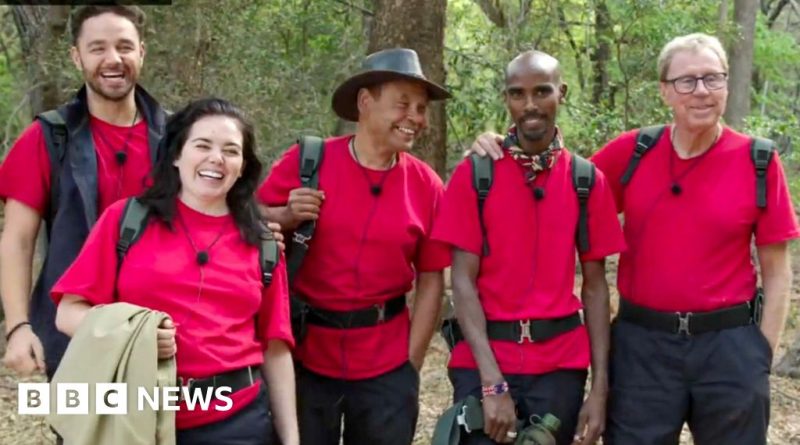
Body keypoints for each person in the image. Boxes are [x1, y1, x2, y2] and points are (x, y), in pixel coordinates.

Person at [470, 34, 798, 445]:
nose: (701, 91)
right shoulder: (634, 152)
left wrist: (759, 357)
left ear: (727, 86)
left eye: (712, 79)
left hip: (728, 348)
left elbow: (778, 272)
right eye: (686, 81)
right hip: (643, 347)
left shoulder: (758, 161)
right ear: (665, 91)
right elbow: (555, 172)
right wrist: (501, 142)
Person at [0, 5, 284, 380]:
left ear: (142, 53)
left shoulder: (177, 137)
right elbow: (17, 239)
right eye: (98, 48)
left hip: (167, 347)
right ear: (76, 56)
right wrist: (18, 327)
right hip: (79, 334)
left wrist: (265, 230)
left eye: (124, 46)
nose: (113, 59)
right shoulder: (48, 137)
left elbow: (220, 208)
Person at [51, 97, 298, 445]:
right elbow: (67, 312)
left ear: (242, 166)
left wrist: (291, 439)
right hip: (134, 414)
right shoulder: (126, 221)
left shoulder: (263, 243)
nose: (216, 158)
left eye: (231, 150)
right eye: (202, 145)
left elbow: (276, 348)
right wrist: (136, 334)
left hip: (237, 422)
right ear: (177, 155)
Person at [258, 48, 451, 445]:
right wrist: (285, 215)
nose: (416, 118)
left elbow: (432, 278)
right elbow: (247, 219)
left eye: (421, 108)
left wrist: (409, 365)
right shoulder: (308, 160)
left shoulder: (426, 185)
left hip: (386, 366)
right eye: (403, 104)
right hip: (305, 358)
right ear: (365, 102)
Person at [432, 50, 624, 445]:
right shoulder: (476, 174)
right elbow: (462, 281)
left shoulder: (585, 181)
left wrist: (600, 390)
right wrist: (491, 384)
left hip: (559, 365)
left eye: (542, 91)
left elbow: (595, 287)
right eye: (517, 94)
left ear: (562, 93)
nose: (530, 105)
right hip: (484, 358)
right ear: (506, 99)